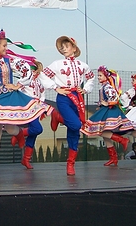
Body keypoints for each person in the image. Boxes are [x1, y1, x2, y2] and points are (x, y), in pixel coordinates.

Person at [0, 29, 53, 179]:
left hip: (10, 97)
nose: (7, 49)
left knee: (10, 129)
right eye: (4, 46)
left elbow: (26, 70)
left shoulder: (10, 61)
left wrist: (18, 85)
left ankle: (19, 134)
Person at [38, 36, 95, 175]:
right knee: (76, 124)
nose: (64, 49)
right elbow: (43, 75)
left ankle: (71, 164)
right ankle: (57, 116)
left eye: (67, 46)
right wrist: (55, 87)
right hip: (63, 97)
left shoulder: (83, 65)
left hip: (77, 96)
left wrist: (85, 89)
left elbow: (91, 77)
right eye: (62, 47)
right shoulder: (57, 64)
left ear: (74, 48)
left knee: (74, 131)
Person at [81, 66, 134, 167]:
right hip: (105, 110)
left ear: (106, 76)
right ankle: (113, 158)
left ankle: (122, 140)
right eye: (98, 75)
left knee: (101, 131)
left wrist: (107, 103)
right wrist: (101, 104)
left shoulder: (107, 86)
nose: (99, 77)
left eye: (100, 75)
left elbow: (115, 97)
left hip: (109, 111)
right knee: (104, 134)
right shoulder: (104, 86)